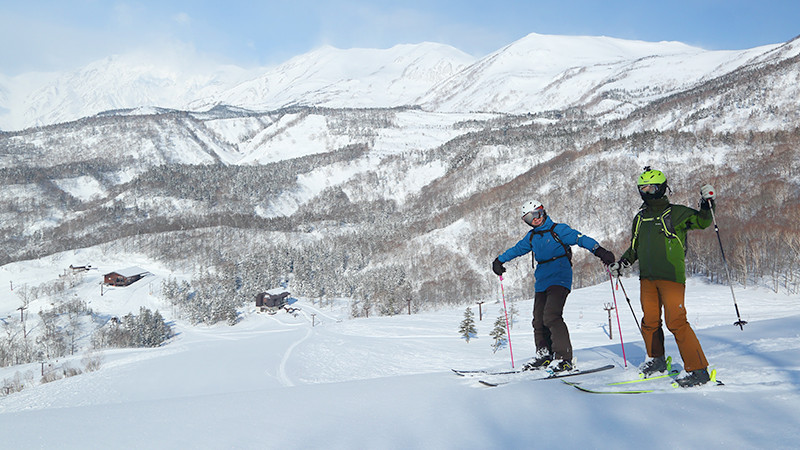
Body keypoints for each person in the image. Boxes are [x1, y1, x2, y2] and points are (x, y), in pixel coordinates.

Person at [610, 167, 716, 387]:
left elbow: (703, 221)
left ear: (661, 188)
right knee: (649, 321)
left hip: (671, 276)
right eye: (643, 188)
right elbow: (635, 248)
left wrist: (707, 204)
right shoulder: (640, 218)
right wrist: (622, 263)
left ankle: (698, 370)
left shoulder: (676, 213)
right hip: (647, 278)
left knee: (676, 322)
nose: (646, 192)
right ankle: (656, 360)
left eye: (651, 188)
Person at [492, 200, 615, 372]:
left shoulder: (558, 230)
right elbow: (517, 249)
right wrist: (499, 261)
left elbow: (580, 239)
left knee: (551, 315)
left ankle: (564, 358)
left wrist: (599, 251)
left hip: (560, 276)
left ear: (543, 212)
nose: (534, 219)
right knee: (538, 320)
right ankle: (544, 355)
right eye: (529, 218)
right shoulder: (532, 237)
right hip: (542, 280)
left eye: (536, 214)